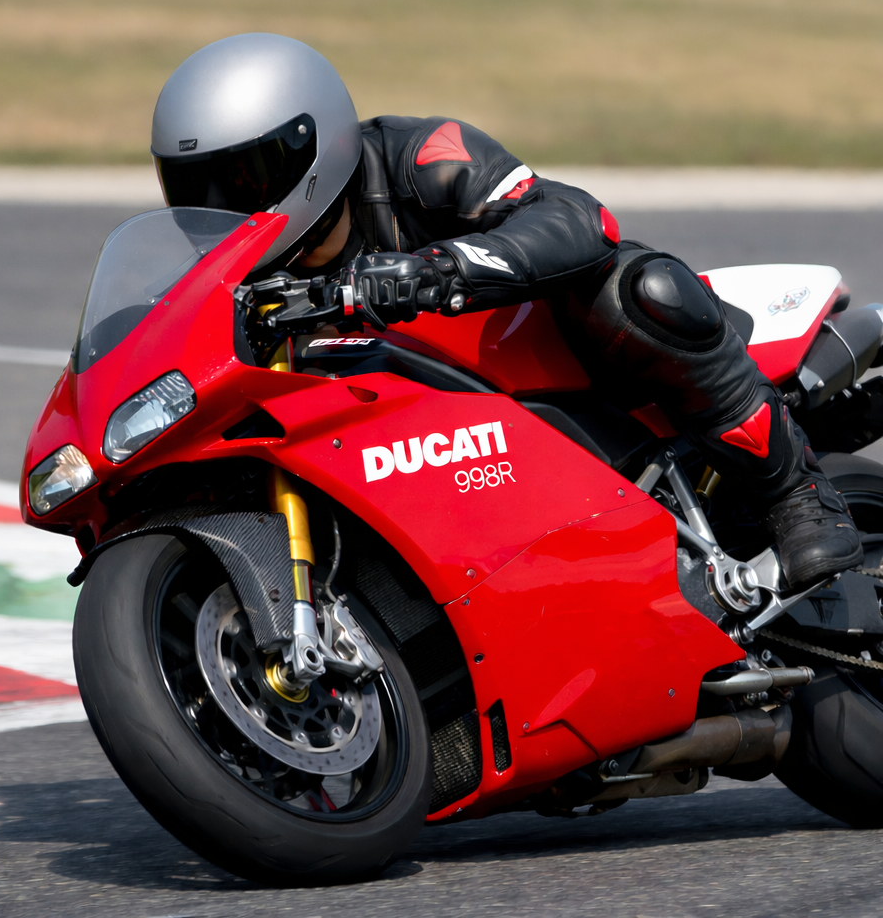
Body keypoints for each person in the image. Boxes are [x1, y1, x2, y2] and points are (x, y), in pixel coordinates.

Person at [150, 32, 863, 590]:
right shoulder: (236, 280)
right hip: (428, 462)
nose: (224, 208)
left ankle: (796, 493)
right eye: (196, 188)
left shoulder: (421, 155)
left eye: (243, 178)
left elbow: (577, 219)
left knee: (635, 291)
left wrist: (442, 268)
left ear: (311, 145)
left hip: (557, 374)